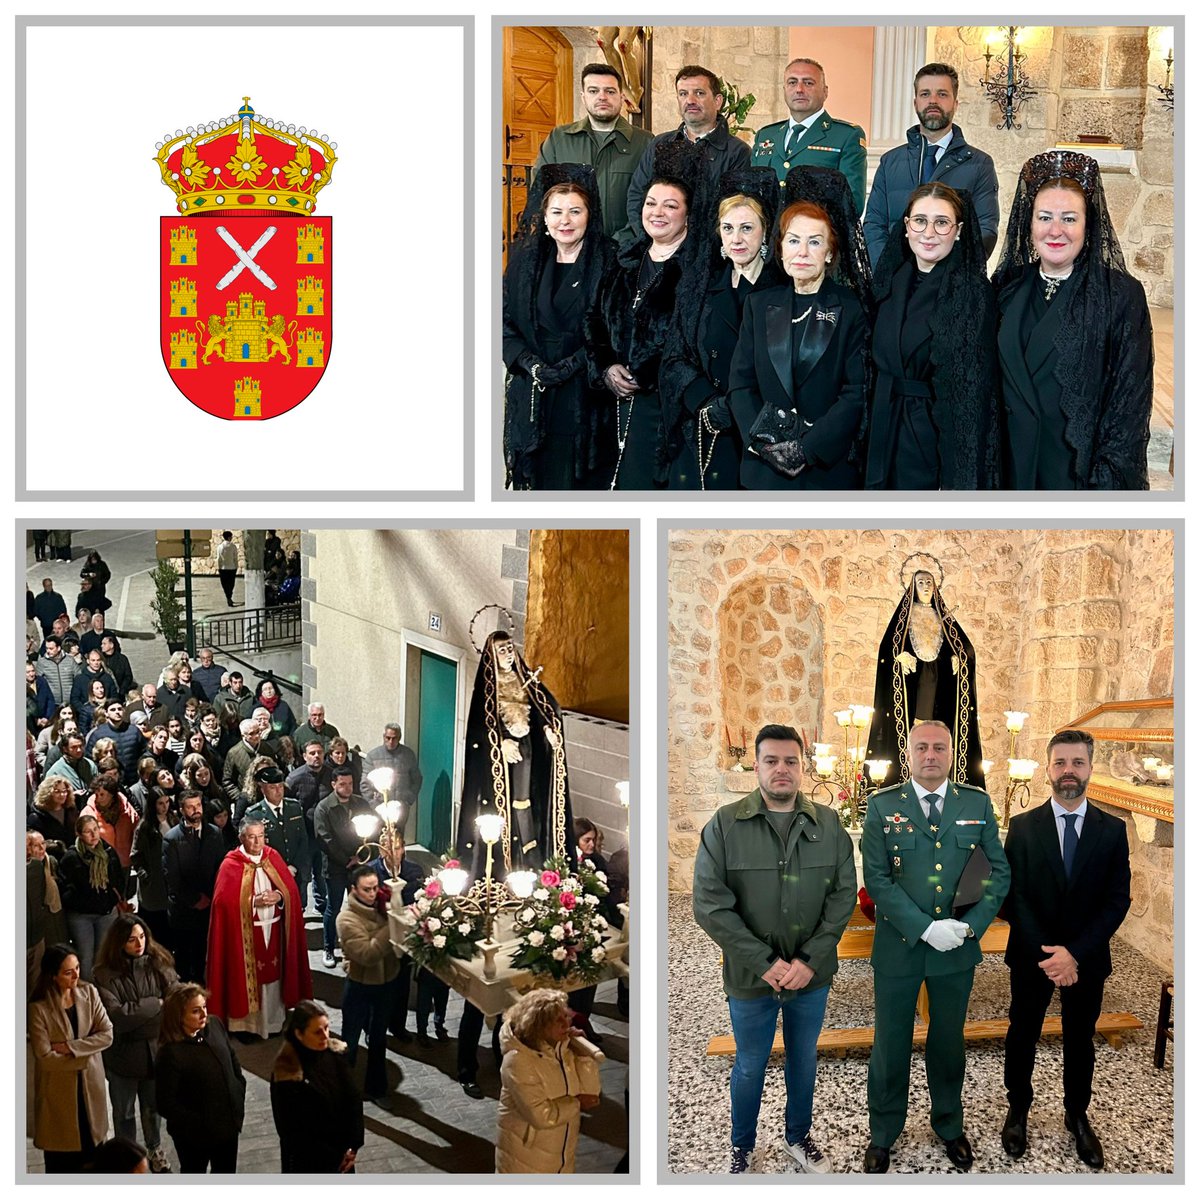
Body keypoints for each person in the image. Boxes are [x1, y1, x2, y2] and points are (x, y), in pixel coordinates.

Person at [692, 724, 855, 1174]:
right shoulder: (725, 825)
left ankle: (798, 1137)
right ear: (757, 767)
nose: (781, 770)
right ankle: (741, 1146)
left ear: (804, 768)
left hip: (811, 976)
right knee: (749, 1065)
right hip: (751, 976)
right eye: (771, 761)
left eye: (790, 761)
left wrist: (809, 959)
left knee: (803, 1060)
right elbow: (709, 904)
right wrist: (764, 963)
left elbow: (843, 897)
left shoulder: (829, 824)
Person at [860, 719, 1010, 1173]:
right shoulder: (883, 807)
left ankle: (949, 1124)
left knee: (948, 1041)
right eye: (922, 747)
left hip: (956, 950)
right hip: (900, 948)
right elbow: (877, 879)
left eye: (939, 748)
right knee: (891, 1041)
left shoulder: (977, 804)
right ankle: (884, 1131)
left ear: (952, 753)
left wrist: (969, 929)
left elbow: (996, 873)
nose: (930, 755)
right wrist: (925, 928)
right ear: (909, 754)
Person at [1001, 729, 1132, 1168]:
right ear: (1048, 769)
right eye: (1060, 763)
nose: (1068, 771)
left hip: (1086, 959)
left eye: (1077, 763)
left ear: (1090, 768)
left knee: (1081, 1039)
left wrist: (1073, 954)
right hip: (1032, 956)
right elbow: (1012, 896)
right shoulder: (1021, 827)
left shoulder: (1113, 831)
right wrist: (1050, 955)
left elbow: (1118, 899)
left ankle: (1077, 1113)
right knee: (1023, 1033)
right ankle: (1018, 1108)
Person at [993, 149, 1153, 489]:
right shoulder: (1005, 287)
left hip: (1073, 475)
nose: (1055, 231)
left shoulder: (1121, 295)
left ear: (1088, 224)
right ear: (1029, 221)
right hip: (1009, 470)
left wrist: (1102, 487)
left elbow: (1130, 403)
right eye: (1044, 217)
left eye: (1069, 218)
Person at [728, 167, 872, 489]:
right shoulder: (759, 305)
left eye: (814, 242)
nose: (802, 252)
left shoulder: (849, 309)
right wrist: (765, 445)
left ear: (830, 252)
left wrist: (805, 449)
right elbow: (740, 383)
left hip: (823, 470)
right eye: (793, 241)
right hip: (762, 471)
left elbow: (855, 393)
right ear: (780, 249)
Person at [864, 183, 998, 489]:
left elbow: (972, 395)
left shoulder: (973, 294)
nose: (929, 233)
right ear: (907, 227)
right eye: (920, 221)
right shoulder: (889, 284)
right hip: (882, 428)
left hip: (931, 440)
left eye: (942, 223)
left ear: (959, 231)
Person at [660, 166, 785, 489]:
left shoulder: (784, 292)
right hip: (705, 429)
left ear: (765, 231)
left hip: (758, 433)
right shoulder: (699, 288)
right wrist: (705, 401)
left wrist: (738, 406)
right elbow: (675, 357)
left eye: (747, 228)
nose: (736, 239)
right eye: (728, 228)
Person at [587, 140, 701, 488]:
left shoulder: (697, 272)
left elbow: (691, 340)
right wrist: (606, 367)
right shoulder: (624, 260)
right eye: (651, 203)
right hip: (611, 405)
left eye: (670, 205)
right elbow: (594, 321)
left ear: (687, 214)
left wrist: (644, 374)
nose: (657, 212)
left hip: (663, 412)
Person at [503, 163, 616, 489]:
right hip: (536, 392)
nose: (565, 220)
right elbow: (504, 322)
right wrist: (531, 363)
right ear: (545, 217)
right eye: (556, 212)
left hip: (585, 391)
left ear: (589, 215)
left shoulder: (610, 259)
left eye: (575, 211)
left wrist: (571, 365)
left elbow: (615, 327)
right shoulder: (525, 260)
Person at [456, 630, 573, 877]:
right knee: (508, 806)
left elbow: (545, 708)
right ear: (492, 656)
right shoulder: (488, 691)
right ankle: (505, 862)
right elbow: (478, 730)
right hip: (502, 761)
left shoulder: (525, 678)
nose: (508, 654)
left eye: (510, 648)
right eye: (502, 651)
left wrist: (547, 730)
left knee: (527, 801)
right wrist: (499, 744)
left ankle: (529, 855)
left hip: (528, 751)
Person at [863, 62, 1000, 268]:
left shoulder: (979, 164)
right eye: (925, 94)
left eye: (942, 94)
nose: (933, 101)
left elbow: (985, 231)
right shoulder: (890, 161)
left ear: (955, 104)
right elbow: (874, 225)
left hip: (951, 284)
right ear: (915, 102)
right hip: (894, 284)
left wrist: (941, 277)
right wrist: (889, 273)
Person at [865, 561, 985, 789]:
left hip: (939, 679)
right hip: (912, 682)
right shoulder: (905, 619)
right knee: (911, 725)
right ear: (913, 588)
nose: (926, 586)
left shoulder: (943, 618)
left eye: (929, 582)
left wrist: (956, 657)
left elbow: (963, 648)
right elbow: (889, 650)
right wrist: (899, 657)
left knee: (940, 722)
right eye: (920, 583)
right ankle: (906, 774)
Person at [206, 817, 312, 1038]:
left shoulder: (272, 857)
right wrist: (253, 902)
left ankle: (273, 1023)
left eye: (261, 836)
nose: (257, 842)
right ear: (242, 837)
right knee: (245, 978)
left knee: (273, 977)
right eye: (252, 837)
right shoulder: (231, 863)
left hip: (273, 931)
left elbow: (291, 891)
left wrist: (279, 896)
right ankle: (248, 1027)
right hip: (244, 933)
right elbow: (221, 902)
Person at [623, 64, 749, 239]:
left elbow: (735, 209)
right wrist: (649, 240)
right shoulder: (660, 144)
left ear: (718, 101)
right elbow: (637, 194)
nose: (690, 100)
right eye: (683, 94)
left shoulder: (737, 152)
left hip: (709, 254)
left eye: (699, 93)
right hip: (658, 247)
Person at [92, 915, 178, 1173]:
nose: (139, 943)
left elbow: (175, 1001)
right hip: (123, 1055)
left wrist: (144, 1013)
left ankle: (154, 1148)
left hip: (156, 1051)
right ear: (119, 942)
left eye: (141, 937)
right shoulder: (103, 974)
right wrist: (156, 1004)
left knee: (153, 1109)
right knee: (124, 1113)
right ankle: (126, 1159)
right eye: (131, 939)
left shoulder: (159, 962)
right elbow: (117, 1017)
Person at [535, 62, 654, 242]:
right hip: (570, 249)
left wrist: (622, 241)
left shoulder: (645, 142)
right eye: (593, 91)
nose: (602, 97)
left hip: (626, 251)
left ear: (622, 97)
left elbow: (654, 200)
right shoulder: (559, 139)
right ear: (583, 97)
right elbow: (540, 193)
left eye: (610, 91)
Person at [495, 988, 603, 1174]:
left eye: (565, 1016)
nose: (565, 1023)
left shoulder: (563, 1049)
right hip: (526, 1157)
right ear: (538, 1025)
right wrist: (576, 1103)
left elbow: (590, 1094)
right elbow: (541, 1116)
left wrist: (584, 1056)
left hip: (561, 1152)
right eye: (557, 1020)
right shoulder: (518, 1061)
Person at [30, 945, 114, 1172]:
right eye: (69, 972)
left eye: (77, 968)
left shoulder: (89, 993)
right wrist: (85, 1057)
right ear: (53, 976)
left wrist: (69, 1047)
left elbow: (107, 1035)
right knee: (63, 1164)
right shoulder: (38, 1009)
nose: (77, 975)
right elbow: (45, 1058)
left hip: (90, 1090)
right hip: (59, 1095)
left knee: (95, 1160)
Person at [751, 57, 867, 213]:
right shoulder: (766, 135)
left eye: (808, 83)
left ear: (825, 92)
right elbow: (751, 196)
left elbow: (852, 204)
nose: (799, 89)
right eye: (792, 82)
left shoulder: (846, 136)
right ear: (784, 90)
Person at [155, 984, 245, 1173]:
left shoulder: (215, 1024)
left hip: (227, 1127)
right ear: (179, 1016)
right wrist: (199, 1124)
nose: (204, 1014)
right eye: (196, 1011)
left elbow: (232, 1060)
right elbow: (165, 1103)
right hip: (195, 1137)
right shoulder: (170, 1052)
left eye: (204, 1007)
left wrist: (238, 1090)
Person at [270, 1001, 363, 1172]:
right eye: (317, 1032)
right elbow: (291, 1130)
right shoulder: (286, 1072)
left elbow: (353, 1099)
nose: (325, 1036)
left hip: (343, 1155)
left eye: (327, 1028)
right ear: (299, 1034)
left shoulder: (334, 1054)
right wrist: (336, 1158)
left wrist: (353, 1146)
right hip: (310, 1162)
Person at [336, 865, 403, 1100]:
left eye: (375, 887)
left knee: (378, 1039)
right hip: (360, 987)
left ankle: (377, 1088)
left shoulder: (381, 906)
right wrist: (392, 926)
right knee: (349, 1041)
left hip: (386, 984)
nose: (373, 893)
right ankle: (342, 1086)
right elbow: (367, 954)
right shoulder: (347, 919)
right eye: (367, 889)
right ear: (354, 890)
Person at [314, 765, 374, 968]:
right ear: (333, 784)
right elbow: (325, 839)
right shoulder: (324, 808)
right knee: (334, 906)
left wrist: (362, 856)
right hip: (335, 866)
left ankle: (355, 947)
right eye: (343, 784)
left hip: (358, 863)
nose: (348, 788)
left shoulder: (361, 804)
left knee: (358, 906)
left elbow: (373, 831)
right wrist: (344, 859)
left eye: (350, 784)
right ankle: (329, 947)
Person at [162, 790, 224, 985]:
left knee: (202, 955)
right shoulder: (172, 839)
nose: (196, 810)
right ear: (182, 810)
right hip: (184, 910)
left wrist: (211, 897)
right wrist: (195, 899)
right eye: (190, 807)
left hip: (208, 906)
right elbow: (171, 877)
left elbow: (221, 868)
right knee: (183, 958)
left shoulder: (214, 833)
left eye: (198, 806)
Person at [57, 813, 123, 980]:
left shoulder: (107, 851)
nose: (94, 835)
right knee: (85, 958)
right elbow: (64, 889)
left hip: (105, 913)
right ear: (79, 834)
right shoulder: (71, 858)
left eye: (95, 829)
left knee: (103, 955)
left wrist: (112, 900)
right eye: (88, 831)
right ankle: (87, 994)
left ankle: (102, 992)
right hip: (82, 916)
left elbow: (118, 880)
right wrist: (83, 902)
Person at [27, 830, 66, 996]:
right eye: (36, 845)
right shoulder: (33, 868)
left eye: (43, 844)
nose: (42, 848)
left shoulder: (45, 864)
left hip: (43, 924)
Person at [361, 722, 423, 807]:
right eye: (388, 738)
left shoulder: (408, 755)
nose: (391, 741)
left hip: (401, 805)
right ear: (384, 737)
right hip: (380, 805)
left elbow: (416, 779)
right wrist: (373, 803)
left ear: (399, 738)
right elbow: (365, 783)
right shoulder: (372, 756)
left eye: (394, 738)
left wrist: (409, 799)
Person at [217, 532, 238, 607]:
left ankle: (228, 597)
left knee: (224, 584)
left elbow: (219, 558)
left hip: (223, 568)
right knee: (231, 584)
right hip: (232, 568)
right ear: (229, 537)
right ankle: (229, 596)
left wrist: (219, 567)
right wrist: (236, 567)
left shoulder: (220, 547)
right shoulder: (233, 546)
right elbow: (235, 558)